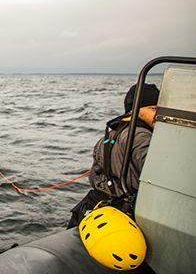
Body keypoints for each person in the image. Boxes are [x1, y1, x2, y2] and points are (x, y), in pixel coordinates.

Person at [67, 83, 160, 228]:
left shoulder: (107, 136)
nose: (158, 114)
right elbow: (159, 176)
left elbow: (94, 177)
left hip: (93, 208)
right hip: (122, 216)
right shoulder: (141, 135)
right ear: (134, 110)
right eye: (153, 109)